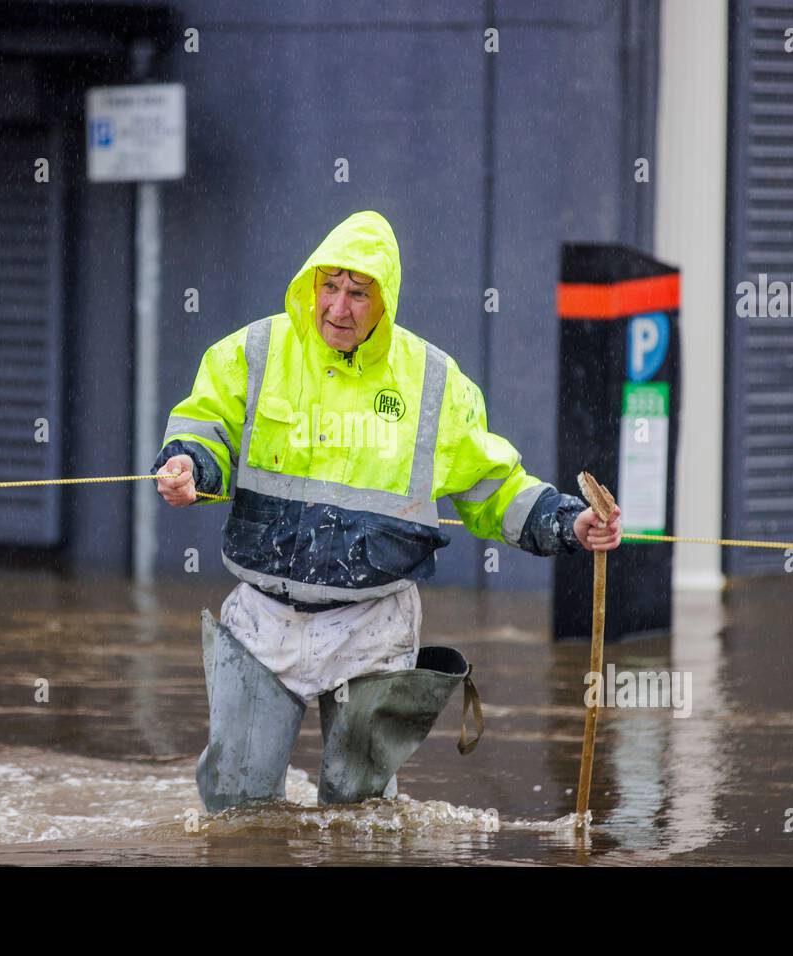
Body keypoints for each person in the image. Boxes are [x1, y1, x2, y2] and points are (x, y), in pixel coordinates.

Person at [154, 210, 622, 812]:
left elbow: (493, 488)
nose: (338, 309)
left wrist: (568, 523)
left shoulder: (434, 383)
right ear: (310, 285)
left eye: (358, 294)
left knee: (358, 813)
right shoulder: (256, 350)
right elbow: (205, 425)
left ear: (385, 303)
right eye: (329, 287)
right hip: (263, 616)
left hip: (373, 625)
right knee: (236, 807)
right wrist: (190, 465)